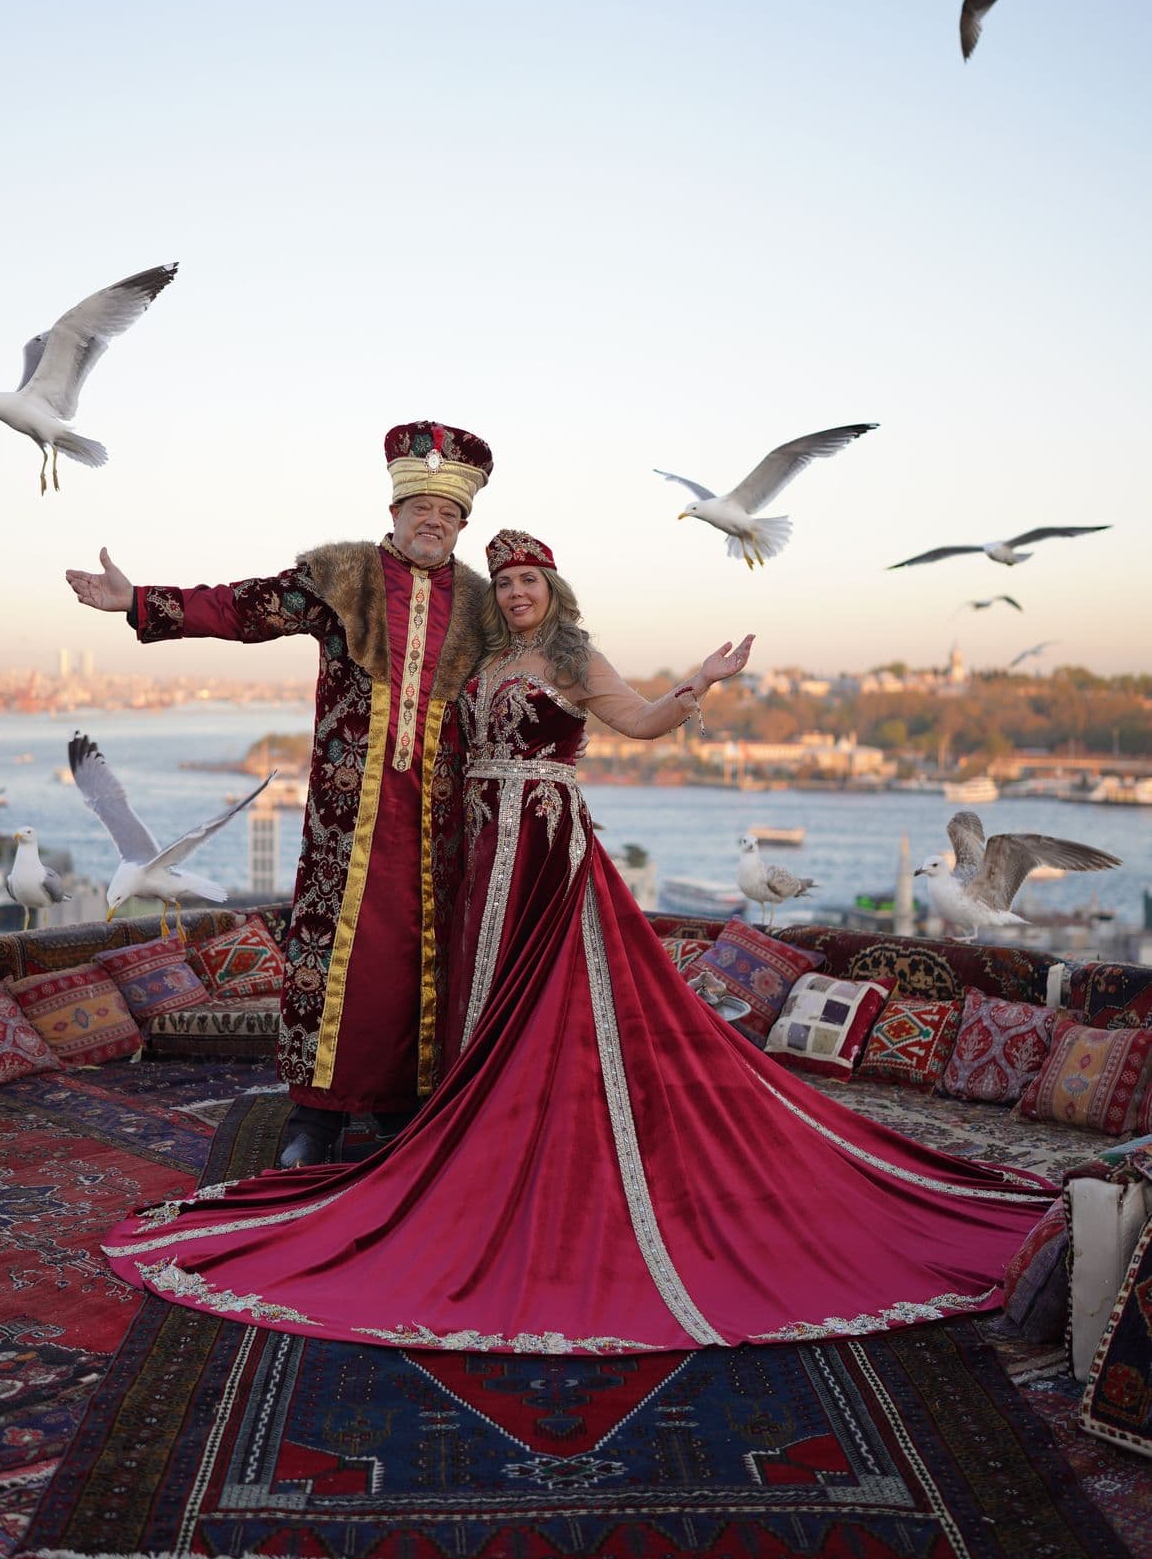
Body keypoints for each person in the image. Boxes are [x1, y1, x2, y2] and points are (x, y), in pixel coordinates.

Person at [101, 530, 1054, 1353]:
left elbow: (640, 723)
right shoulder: (476, 659)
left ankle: (531, 1147)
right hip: (476, 842)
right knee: (479, 985)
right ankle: (465, 1128)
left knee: (547, 988)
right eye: (505, 581)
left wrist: (700, 686)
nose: (515, 593)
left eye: (529, 581)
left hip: (545, 838)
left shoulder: (572, 657)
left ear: (553, 591)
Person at [66, 421, 494, 1168]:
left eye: (448, 513)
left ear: (463, 523)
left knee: (418, 962)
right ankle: (315, 1115)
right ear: (393, 511)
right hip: (346, 813)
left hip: (442, 818)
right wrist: (138, 600)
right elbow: (242, 608)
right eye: (420, 506)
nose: (433, 521)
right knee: (333, 959)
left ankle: (406, 1104)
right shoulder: (343, 576)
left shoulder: (485, 607)